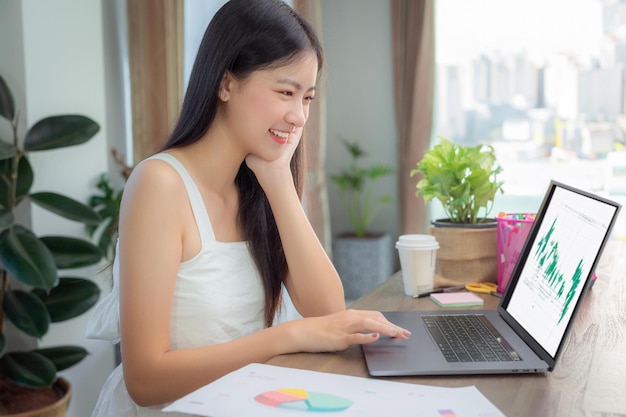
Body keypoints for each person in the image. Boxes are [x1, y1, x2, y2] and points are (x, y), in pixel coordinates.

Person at [87, 0, 410, 415]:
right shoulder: (160, 185)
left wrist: (278, 182)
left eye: (307, 98)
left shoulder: (257, 185)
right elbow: (145, 380)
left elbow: (327, 312)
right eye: (285, 92)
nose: (298, 116)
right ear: (225, 84)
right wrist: (288, 336)